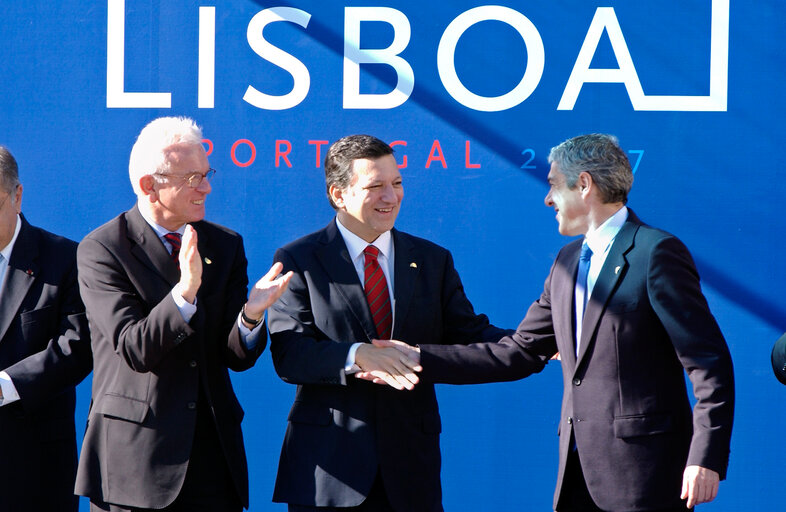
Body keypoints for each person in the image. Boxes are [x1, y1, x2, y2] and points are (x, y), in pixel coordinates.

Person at [373, 134, 735, 511]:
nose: (547, 199)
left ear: (583, 184)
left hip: (645, 475)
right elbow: (519, 352)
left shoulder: (655, 252)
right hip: (577, 474)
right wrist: (417, 359)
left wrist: (704, 457)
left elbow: (708, 363)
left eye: (552, 185)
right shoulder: (567, 261)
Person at [267, 134, 508, 512]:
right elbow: (290, 354)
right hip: (330, 472)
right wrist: (358, 355)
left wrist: (540, 340)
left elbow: (471, 334)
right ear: (338, 194)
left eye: (396, 184)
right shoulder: (300, 258)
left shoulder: (432, 259)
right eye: (375, 186)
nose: (391, 197)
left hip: (411, 471)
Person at [74, 117, 292, 512]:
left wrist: (250, 317)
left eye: (206, 173)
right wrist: (185, 292)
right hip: (135, 463)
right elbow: (134, 348)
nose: (206, 186)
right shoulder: (103, 249)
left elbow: (234, 358)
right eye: (192, 177)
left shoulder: (224, 244)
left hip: (211, 459)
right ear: (149, 186)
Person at [0, 145, 92, 511]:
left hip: (34, 471)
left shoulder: (66, 259)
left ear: (17, 196)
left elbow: (77, 346)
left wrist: (4, 386)